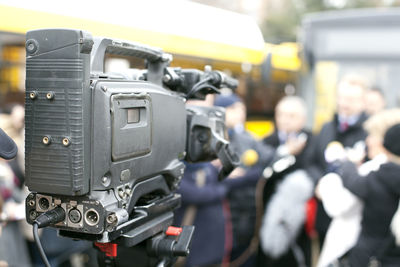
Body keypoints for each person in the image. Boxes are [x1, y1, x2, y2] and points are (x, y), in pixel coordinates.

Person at [316, 108, 400, 267]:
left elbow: (339, 204)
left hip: (360, 252)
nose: (368, 140)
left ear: (386, 138)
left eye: (373, 135)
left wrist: (328, 183)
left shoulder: (377, 171)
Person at [214, 92, 274, 266]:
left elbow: (268, 160)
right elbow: (215, 179)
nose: (241, 113)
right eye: (234, 109)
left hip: (248, 214)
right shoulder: (212, 140)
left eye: (242, 108)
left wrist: (244, 176)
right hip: (223, 215)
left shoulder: (246, 137)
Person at [310, 74, 369, 246]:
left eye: (350, 99)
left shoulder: (370, 131)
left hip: (354, 219)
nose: (344, 103)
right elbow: (312, 162)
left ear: (363, 102)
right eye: (341, 97)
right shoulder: (327, 127)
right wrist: (319, 182)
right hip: (324, 213)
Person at [257, 96, 315, 267]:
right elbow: (261, 173)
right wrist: (285, 153)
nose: (285, 120)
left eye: (291, 116)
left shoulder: (312, 140)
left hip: (299, 219)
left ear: (303, 119)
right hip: (268, 214)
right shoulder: (267, 142)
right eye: (281, 115)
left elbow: (316, 169)